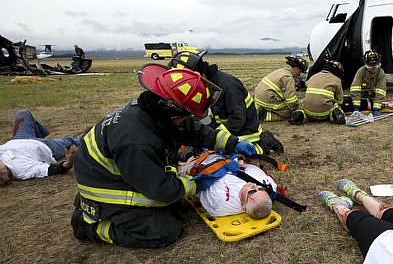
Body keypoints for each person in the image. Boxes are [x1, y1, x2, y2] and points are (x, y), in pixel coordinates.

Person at [71, 63, 257, 249]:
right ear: (174, 113)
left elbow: (194, 131)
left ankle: (93, 205)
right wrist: (196, 183)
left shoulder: (155, 111)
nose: (189, 120)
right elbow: (162, 190)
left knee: (176, 207)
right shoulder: (138, 141)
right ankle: (91, 225)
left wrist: (233, 143)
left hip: (116, 173)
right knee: (165, 229)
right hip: (106, 186)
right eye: (187, 115)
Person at [169, 51, 283, 155]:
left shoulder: (228, 86)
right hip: (224, 128)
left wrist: (214, 138)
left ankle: (264, 143)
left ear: (199, 74)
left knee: (233, 155)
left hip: (245, 131)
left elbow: (238, 119)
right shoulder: (207, 84)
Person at [178, 151, 277, 219]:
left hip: (203, 162)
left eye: (252, 192)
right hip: (221, 155)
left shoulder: (221, 200)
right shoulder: (269, 186)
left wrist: (233, 162)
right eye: (261, 189)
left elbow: (202, 179)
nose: (254, 186)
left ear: (243, 206)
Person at [0, 109, 86, 185]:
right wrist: (68, 163)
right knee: (69, 141)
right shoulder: (22, 170)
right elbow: (52, 170)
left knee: (22, 113)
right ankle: (78, 139)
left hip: (19, 138)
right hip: (45, 146)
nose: (3, 171)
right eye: (3, 175)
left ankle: (41, 133)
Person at [289, 60, 345, 125]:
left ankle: (301, 115)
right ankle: (334, 115)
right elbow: (340, 101)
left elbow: (306, 85)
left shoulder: (313, 76)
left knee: (303, 105)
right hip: (325, 112)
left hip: (309, 111)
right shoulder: (337, 80)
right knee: (336, 105)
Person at [254, 56, 308, 121]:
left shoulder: (281, 71)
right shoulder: (288, 78)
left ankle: (263, 110)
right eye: (300, 71)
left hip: (258, 98)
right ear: (296, 68)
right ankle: (264, 116)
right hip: (267, 99)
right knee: (288, 112)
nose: (300, 74)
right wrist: (299, 108)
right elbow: (291, 101)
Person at [349, 50, 387, 116]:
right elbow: (355, 89)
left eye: (375, 65)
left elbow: (381, 91)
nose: (373, 68)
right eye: (370, 65)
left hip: (373, 98)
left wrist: (376, 108)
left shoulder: (381, 73)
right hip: (361, 97)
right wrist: (356, 107)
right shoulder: (361, 71)